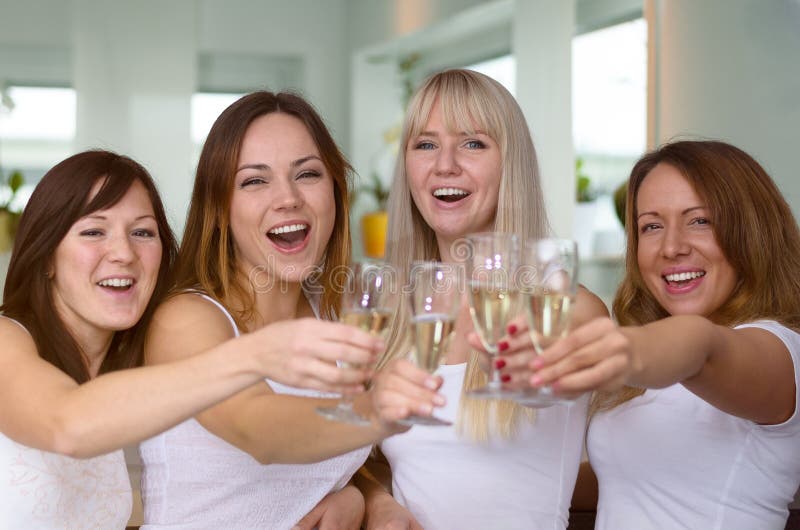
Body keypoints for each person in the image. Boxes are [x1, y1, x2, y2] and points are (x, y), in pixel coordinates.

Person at [0, 150, 376, 529]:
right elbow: (67, 425)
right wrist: (253, 355)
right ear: (46, 256)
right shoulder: (5, 338)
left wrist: (358, 494)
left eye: (142, 232)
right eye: (94, 231)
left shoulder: (120, 373)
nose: (123, 253)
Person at [138, 91, 436, 529]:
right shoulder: (186, 320)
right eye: (255, 181)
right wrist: (377, 409)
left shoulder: (337, 313)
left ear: (335, 193)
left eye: (308, 174)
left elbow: (328, 461)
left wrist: (371, 498)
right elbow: (257, 428)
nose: (288, 198)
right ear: (220, 209)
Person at [357, 69, 610, 530]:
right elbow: (356, 456)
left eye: (472, 143)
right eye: (425, 144)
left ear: (509, 163)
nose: (445, 164)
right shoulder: (388, 313)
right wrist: (378, 501)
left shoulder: (565, 306)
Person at [517, 140, 800, 529]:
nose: (671, 247)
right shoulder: (646, 368)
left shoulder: (778, 349)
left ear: (752, 231)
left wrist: (615, 353)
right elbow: (635, 482)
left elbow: (701, 346)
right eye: (651, 226)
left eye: (700, 220)